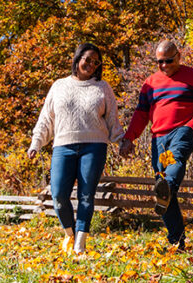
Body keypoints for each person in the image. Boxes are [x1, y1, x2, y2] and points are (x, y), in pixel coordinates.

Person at [27, 42, 125, 255]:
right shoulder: (59, 86)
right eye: (87, 59)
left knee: (86, 195)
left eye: (96, 62)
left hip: (94, 146)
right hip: (63, 145)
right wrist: (36, 142)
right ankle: (70, 234)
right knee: (59, 194)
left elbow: (112, 120)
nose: (91, 65)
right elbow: (46, 118)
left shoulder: (102, 87)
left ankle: (80, 242)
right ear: (77, 59)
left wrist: (121, 140)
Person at [120, 40, 193, 251]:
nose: (164, 66)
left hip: (182, 131)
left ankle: (168, 187)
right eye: (159, 62)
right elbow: (141, 114)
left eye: (168, 61)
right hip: (158, 138)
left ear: (178, 56)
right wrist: (129, 138)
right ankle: (176, 240)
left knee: (175, 162)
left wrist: (192, 125)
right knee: (164, 192)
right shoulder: (150, 83)